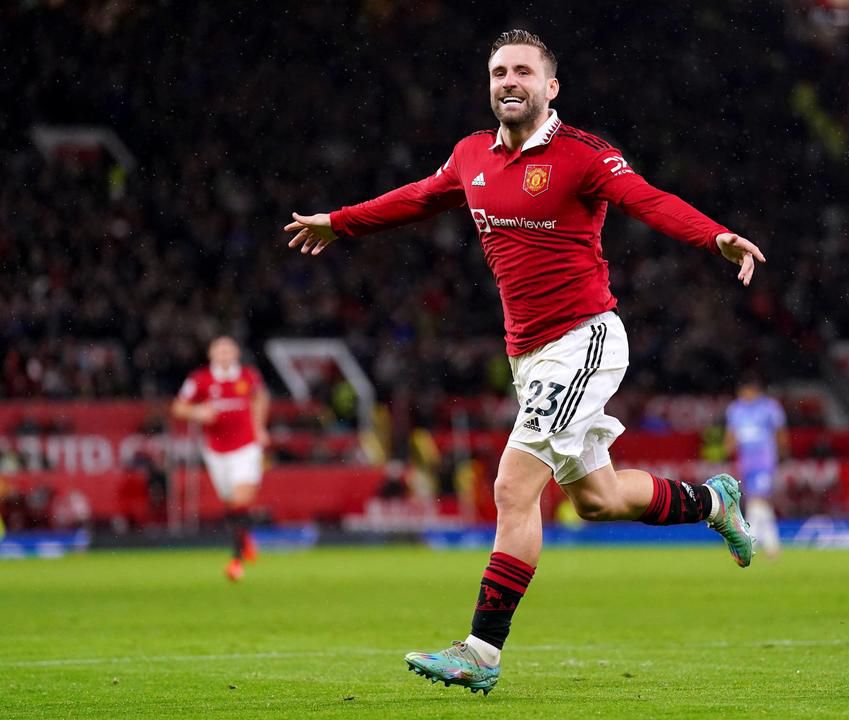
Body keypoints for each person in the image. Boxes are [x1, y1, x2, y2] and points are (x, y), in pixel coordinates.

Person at [283, 30, 765, 695]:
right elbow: (419, 197)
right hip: (529, 355)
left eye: (523, 72)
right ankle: (714, 502)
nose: (509, 81)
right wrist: (341, 222)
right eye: (499, 72)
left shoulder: (584, 155)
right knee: (597, 500)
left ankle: (481, 650)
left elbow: (649, 199)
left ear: (550, 87)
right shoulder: (471, 154)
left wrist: (715, 235)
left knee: (513, 488)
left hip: (584, 340)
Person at [171, 336, 270, 581]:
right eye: (220, 351)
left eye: (228, 351)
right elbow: (178, 407)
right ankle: (244, 538)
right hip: (216, 451)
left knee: (240, 498)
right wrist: (198, 411)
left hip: (246, 447)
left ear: (236, 354)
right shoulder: (200, 379)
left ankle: (236, 561)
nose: (224, 355)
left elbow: (261, 398)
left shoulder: (248, 376)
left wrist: (259, 427)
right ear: (211, 355)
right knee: (230, 501)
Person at [725, 373, 788, 558]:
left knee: (757, 498)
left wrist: (783, 452)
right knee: (758, 501)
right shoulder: (735, 409)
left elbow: (780, 432)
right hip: (746, 462)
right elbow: (731, 434)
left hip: (764, 460)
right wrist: (728, 448)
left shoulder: (770, 407)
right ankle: (772, 545)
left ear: (753, 390)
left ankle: (749, 542)